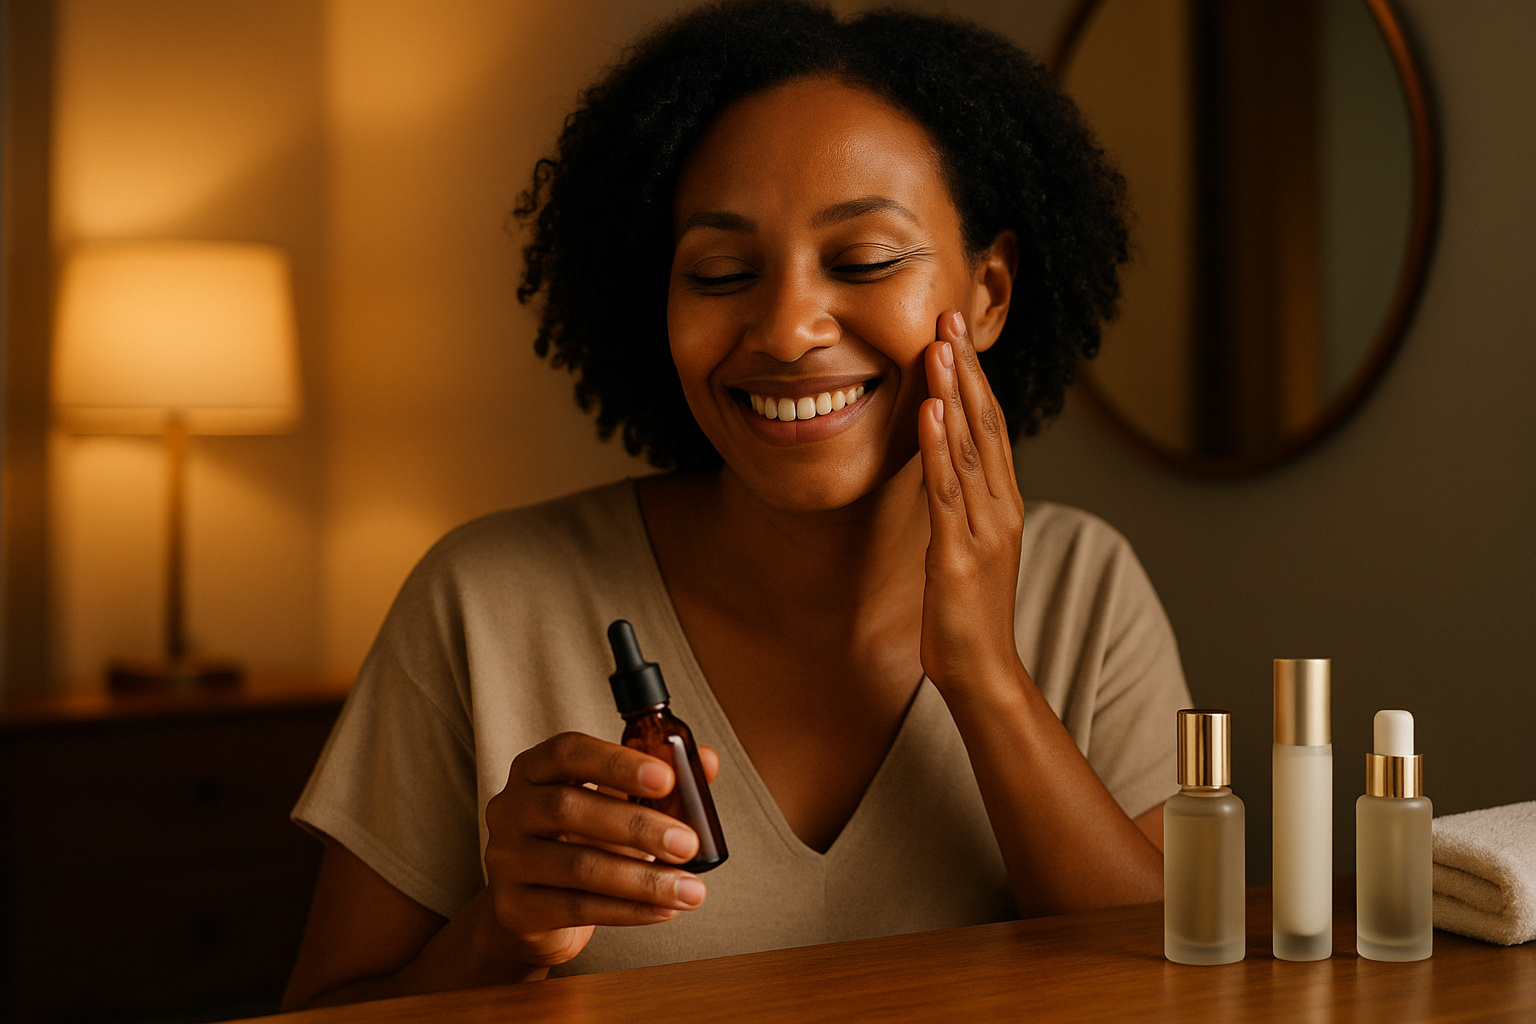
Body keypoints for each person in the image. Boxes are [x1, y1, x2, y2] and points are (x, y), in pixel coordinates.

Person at [282, 0, 1191, 1009]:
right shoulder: (483, 602)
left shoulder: (1087, 588)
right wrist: (503, 931)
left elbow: (1183, 993)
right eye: (721, 272)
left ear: (988, 292)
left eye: (862, 261)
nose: (788, 327)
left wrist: (986, 675)